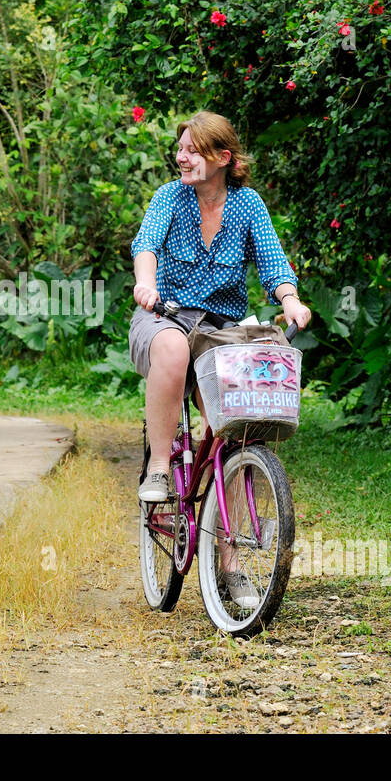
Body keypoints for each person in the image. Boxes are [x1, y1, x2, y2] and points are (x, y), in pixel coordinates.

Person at [130, 111, 312, 605]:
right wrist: (145, 283)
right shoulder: (171, 197)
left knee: (235, 430)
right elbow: (146, 246)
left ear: (223, 158)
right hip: (164, 314)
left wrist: (290, 300)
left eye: (192, 150)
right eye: (181, 148)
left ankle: (229, 564)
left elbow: (275, 264)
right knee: (170, 346)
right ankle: (160, 470)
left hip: (221, 331)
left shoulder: (248, 206)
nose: (181, 157)